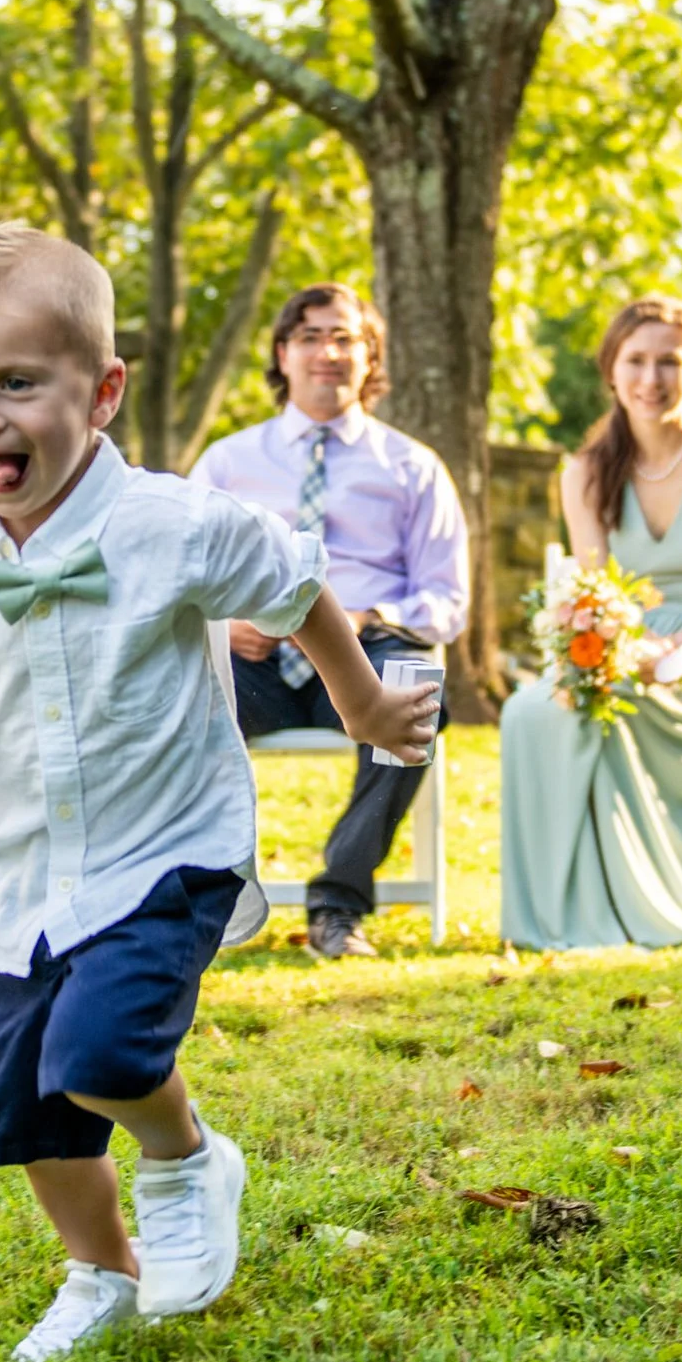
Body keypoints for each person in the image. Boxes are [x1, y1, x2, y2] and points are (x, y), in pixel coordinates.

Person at [0, 220, 433, 1362]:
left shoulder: (169, 523)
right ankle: (98, 1270)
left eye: (18, 383)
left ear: (104, 388)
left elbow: (294, 586)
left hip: (165, 848)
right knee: (29, 1108)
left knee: (103, 1054)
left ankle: (185, 1157)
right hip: (28, 873)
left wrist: (365, 706)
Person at [188, 283, 468, 958]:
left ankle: (337, 905)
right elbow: (178, 574)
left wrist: (370, 613)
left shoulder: (413, 468)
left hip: (363, 655)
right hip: (252, 662)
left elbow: (448, 600)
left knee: (418, 687)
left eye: (345, 337)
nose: (328, 352)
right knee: (173, 693)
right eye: (310, 336)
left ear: (370, 358)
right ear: (282, 354)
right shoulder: (227, 462)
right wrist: (224, 626)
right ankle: (201, 898)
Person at [499, 297, 682, 949]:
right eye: (635, 360)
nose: (651, 379)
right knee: (529, 711)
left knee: (612, 698)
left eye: (669, 361)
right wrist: (635, 648)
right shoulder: (586, 472)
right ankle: (557, 914)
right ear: (611, 370)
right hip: (624, 644)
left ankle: (663, 905)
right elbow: (598, 589)